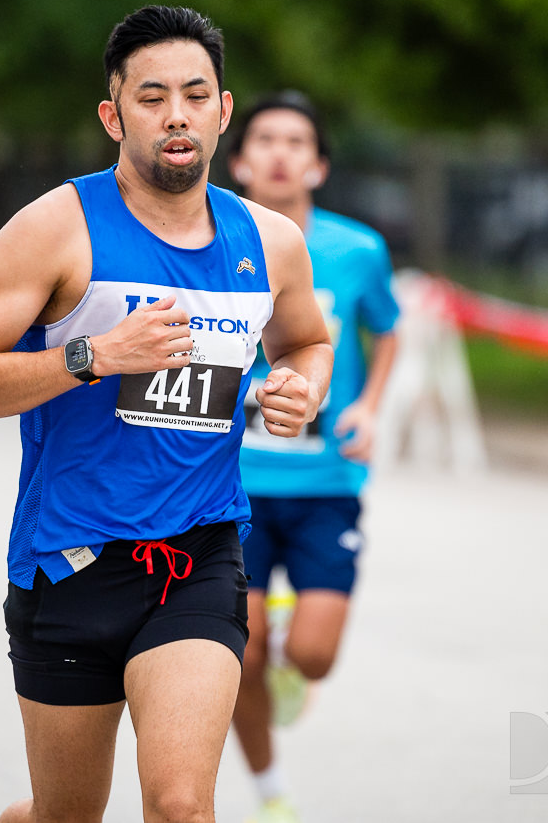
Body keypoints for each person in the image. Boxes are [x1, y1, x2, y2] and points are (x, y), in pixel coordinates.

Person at [0, 5, 333, 823]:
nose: (177, 114)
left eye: (196, 95)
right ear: (112, 115)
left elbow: (306, 341)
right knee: (66, 816)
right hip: (69, 564)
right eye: (151, 98)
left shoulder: (270, 241)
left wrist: (302, 387)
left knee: (183, 805)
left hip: (199, 554)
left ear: (224, 112)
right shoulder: (54, 230)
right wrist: (93, 356)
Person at [224, 93, 399, 823]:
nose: (279, 153)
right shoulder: (211, 238)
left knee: (314, 658)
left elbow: (386, 331)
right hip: (236, 484)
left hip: (328, 480)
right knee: (239, 657)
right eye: (264, 139)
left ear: (319, 165)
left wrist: (367, 406)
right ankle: (271, 795)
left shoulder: (357, 251)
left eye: (296, 142)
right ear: (238, 160)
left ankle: (297, 637)